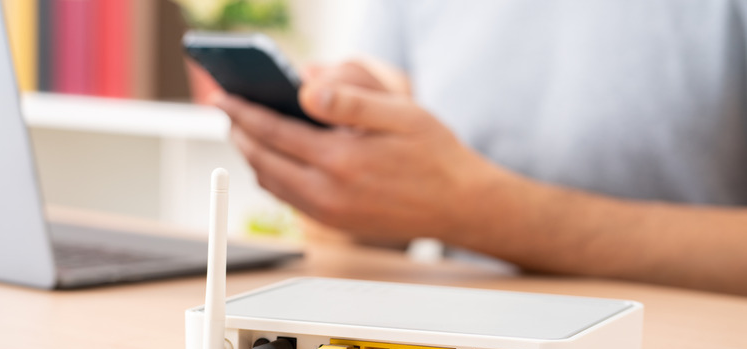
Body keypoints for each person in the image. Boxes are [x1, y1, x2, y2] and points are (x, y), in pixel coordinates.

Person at [212, 0, 747, 295]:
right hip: (463, 333)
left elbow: (454, 200)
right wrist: (351, 170)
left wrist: (480, 214)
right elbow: (375, 237)